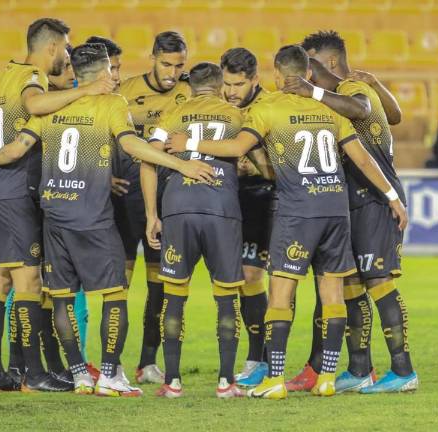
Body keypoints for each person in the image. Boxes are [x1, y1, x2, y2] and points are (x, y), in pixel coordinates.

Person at [0, 43, 215, 396]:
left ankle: (79, 374)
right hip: (93, 217)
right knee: (114, 295)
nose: (116, 76)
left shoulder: (51, 105)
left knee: (62, 297)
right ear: (103, 73)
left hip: (54, 215)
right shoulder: (111, 104)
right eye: (112, 70)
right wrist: (181, 163)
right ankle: (111, 375)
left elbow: (17, 148)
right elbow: (131, 145)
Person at [166, 45, 407, 399]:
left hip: (298, 212)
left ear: (277, 76)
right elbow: (363, 159)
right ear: (306, 74)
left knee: (281, 291)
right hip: (336, 210)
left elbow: (235, 149)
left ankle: (274, 379)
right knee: (332, 291)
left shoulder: (267, 108)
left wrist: (190, 141)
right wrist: (392, 196)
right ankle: (326, 378)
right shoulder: (328, 108)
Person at [0, 18, 113, 393]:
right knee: (28, 282)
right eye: (66, 48)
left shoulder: (0, 77)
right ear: (52, 48)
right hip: (12, 190)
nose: (68, 55)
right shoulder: (32, 77)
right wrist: (87, 90)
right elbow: (35, 103)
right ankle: (33, 374)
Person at [290, 30, 418, 394]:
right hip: (352, 201)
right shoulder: (355, 90)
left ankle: (404, 370)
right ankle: (360, 368)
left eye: (309, 64)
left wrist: (312, 91)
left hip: (377, 198)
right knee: (350, 285)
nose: (303, 72)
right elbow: (394, 115)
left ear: (329, 63)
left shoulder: (350, 92)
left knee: (379, 281)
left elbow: (361, 109)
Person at [142, 62, 249, 399]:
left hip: (179, 206)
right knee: (227, 297)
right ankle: (226, 383)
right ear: (220, 86)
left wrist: (151, 215)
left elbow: (147, 159)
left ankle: (172, 382)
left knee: (174, 296)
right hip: (222, 210)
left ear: (191, 87)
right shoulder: (236, 116)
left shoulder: (173, 114)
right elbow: (255, 158)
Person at [114, 31, 192, 384]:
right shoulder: (126, 92)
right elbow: (103, 136)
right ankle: (111, 361)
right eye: (166, 64)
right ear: (152, 57)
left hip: (169, 197)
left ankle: (147, 362)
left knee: (159, 284)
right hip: (126, 196)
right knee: (120, 283)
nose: (172, 72)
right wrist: (106, 178)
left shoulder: (190, 93)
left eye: (179, 66)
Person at [219, 47, 274, 387]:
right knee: (239, 278)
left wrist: (252, 161)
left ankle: (262, 358)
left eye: (238, 85)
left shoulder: (270, 108)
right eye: (227, 83)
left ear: (255, 80)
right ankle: (260, 358)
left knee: (253, 275)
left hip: (264, 198)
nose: (231, 91)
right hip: (232, 198)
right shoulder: (222, 109)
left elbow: (275, 164)